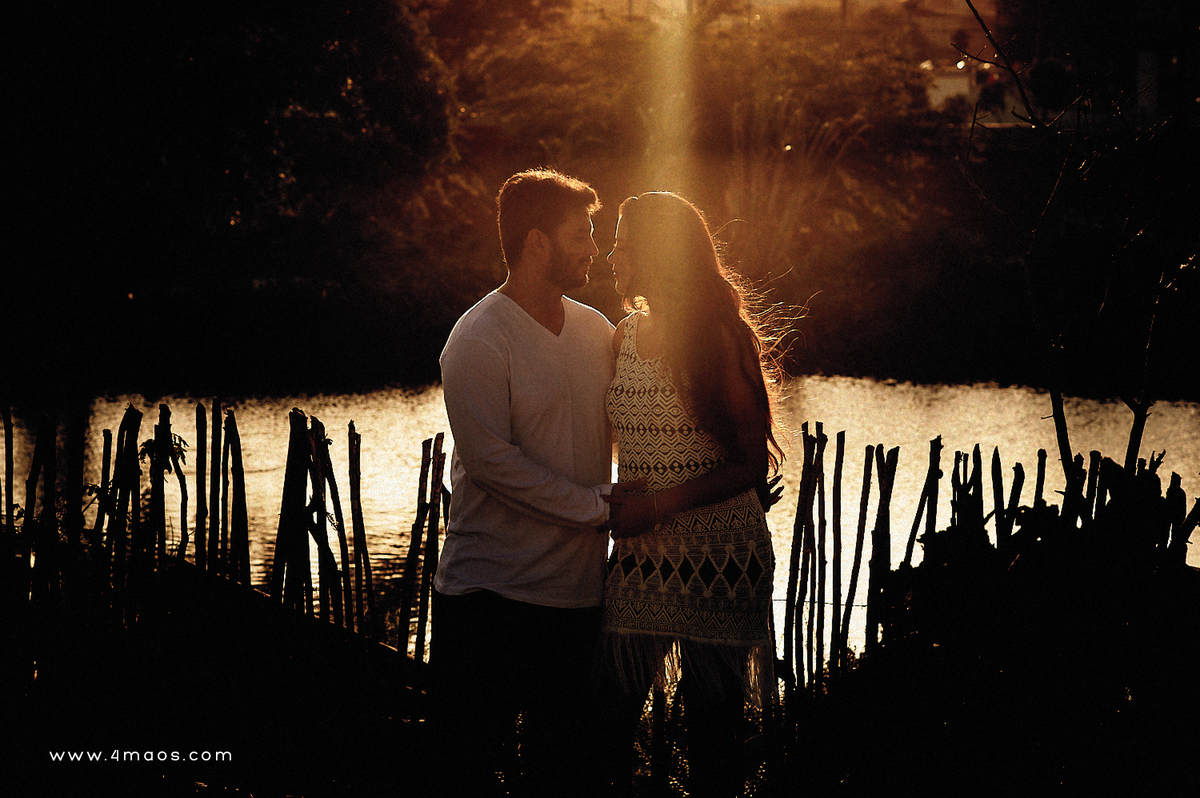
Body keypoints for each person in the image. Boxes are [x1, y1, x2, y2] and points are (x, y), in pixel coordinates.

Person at [430, 168, 635, 798]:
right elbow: (493, 465)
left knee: (566, 775)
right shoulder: (477, 338)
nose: (593, 248)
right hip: (488, 597)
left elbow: (639, 421)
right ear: (537, 241)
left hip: (575, 601)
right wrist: (600, 509)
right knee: (463, 774)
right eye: (582, 233)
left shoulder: (598, 330)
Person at [600, 191, 785, 797]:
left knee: (714, 744)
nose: (612, 253)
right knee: (606, 726)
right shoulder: (622, 336)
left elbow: (750, 467)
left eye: (625, 240)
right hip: (640, 561)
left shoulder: (718, 338)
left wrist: (657, 505)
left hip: (720, 559)